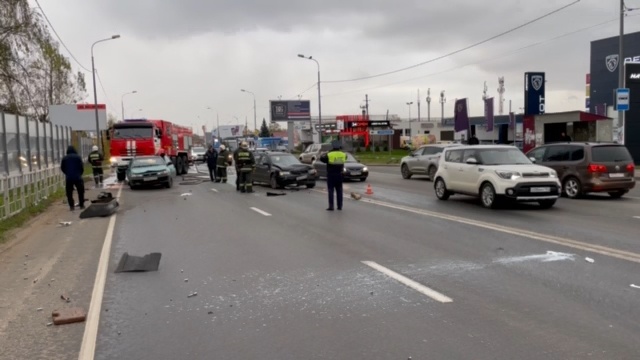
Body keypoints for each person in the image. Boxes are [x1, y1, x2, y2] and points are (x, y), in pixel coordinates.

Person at [320, 140, 347, 211]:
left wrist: (324, 153)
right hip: (339, 174)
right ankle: (340, 206)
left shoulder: (329, 154)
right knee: (339, 190)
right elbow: (345, 158)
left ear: (332, 146)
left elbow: (322, 159)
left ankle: (331, 206)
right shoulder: (343, 154)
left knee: (331, 190)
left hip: (331, 175)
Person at [61, 145, 85, 211]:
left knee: (69, 192)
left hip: (69, 178)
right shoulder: (78, 157)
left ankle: (71, 206)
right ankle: (81, 205)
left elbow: (62, 168)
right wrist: (80, 174)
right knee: (80, 191)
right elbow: (81, 167)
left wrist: (67, 173)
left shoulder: (65, 158)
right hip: (78, 177)